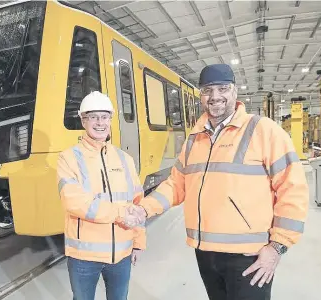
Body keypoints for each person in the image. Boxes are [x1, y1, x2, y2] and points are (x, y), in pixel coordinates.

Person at [130, 64, 309, 299]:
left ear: (235, 92)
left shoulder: (264, 130)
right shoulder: (195, 138)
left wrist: (277, 246)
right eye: (207, 90)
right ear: (201, 96)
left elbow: (292, 189)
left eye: (223, 88)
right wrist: (144, 209)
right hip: (205, 252)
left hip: (249, 256)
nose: (215, 96)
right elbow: (176, 184)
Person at [56, 91, 146, 300]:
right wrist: (120, 212)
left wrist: (139, 241)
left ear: (110, 120)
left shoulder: (125, 159)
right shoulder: (68, 158)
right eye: (93, 116)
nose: (99, 122)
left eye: (104, 117)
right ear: (83, 120)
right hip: (83, 257)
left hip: (122, 254)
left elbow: (137, 202)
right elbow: (74, 202)